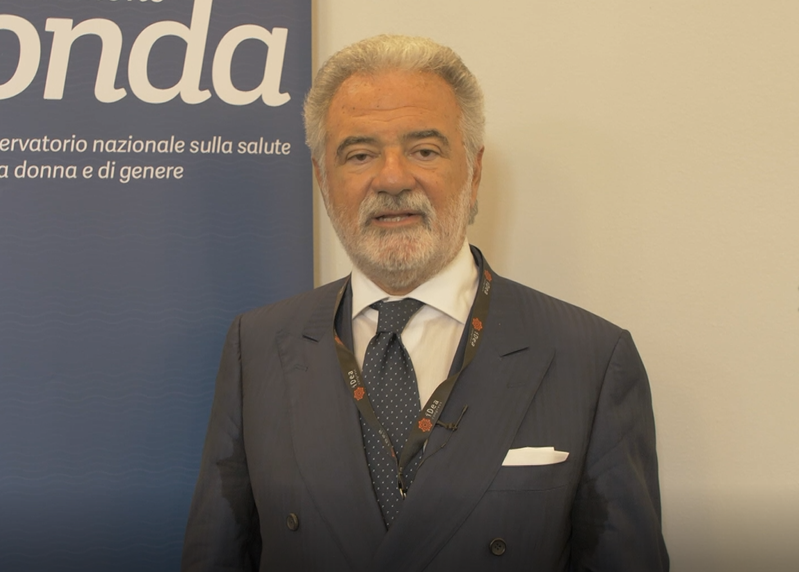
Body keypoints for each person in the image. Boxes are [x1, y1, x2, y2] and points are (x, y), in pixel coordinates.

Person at [182, 34, 669, 571]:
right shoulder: (256, 347)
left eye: (424, 150)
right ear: (322, 178)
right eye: (360, 154)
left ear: (474, 171)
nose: (392, 178)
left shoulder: (592, 360)